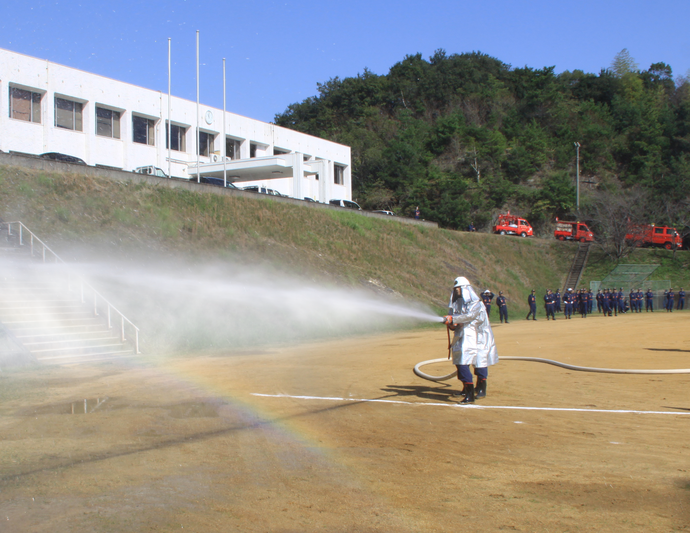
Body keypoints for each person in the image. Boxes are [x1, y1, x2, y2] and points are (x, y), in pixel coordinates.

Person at [443, 277, 498, 403]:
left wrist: (453, 320)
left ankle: (480, 389)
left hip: (480, 335)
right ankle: (467, 388)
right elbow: (453, 317)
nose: (456, 291)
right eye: (455, 289)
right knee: (462, 360)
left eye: (458, 289)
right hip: (466, 333)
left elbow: (469, 316)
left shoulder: (476, 303)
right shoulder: (456, 303)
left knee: (480, 360)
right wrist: (451, 324)